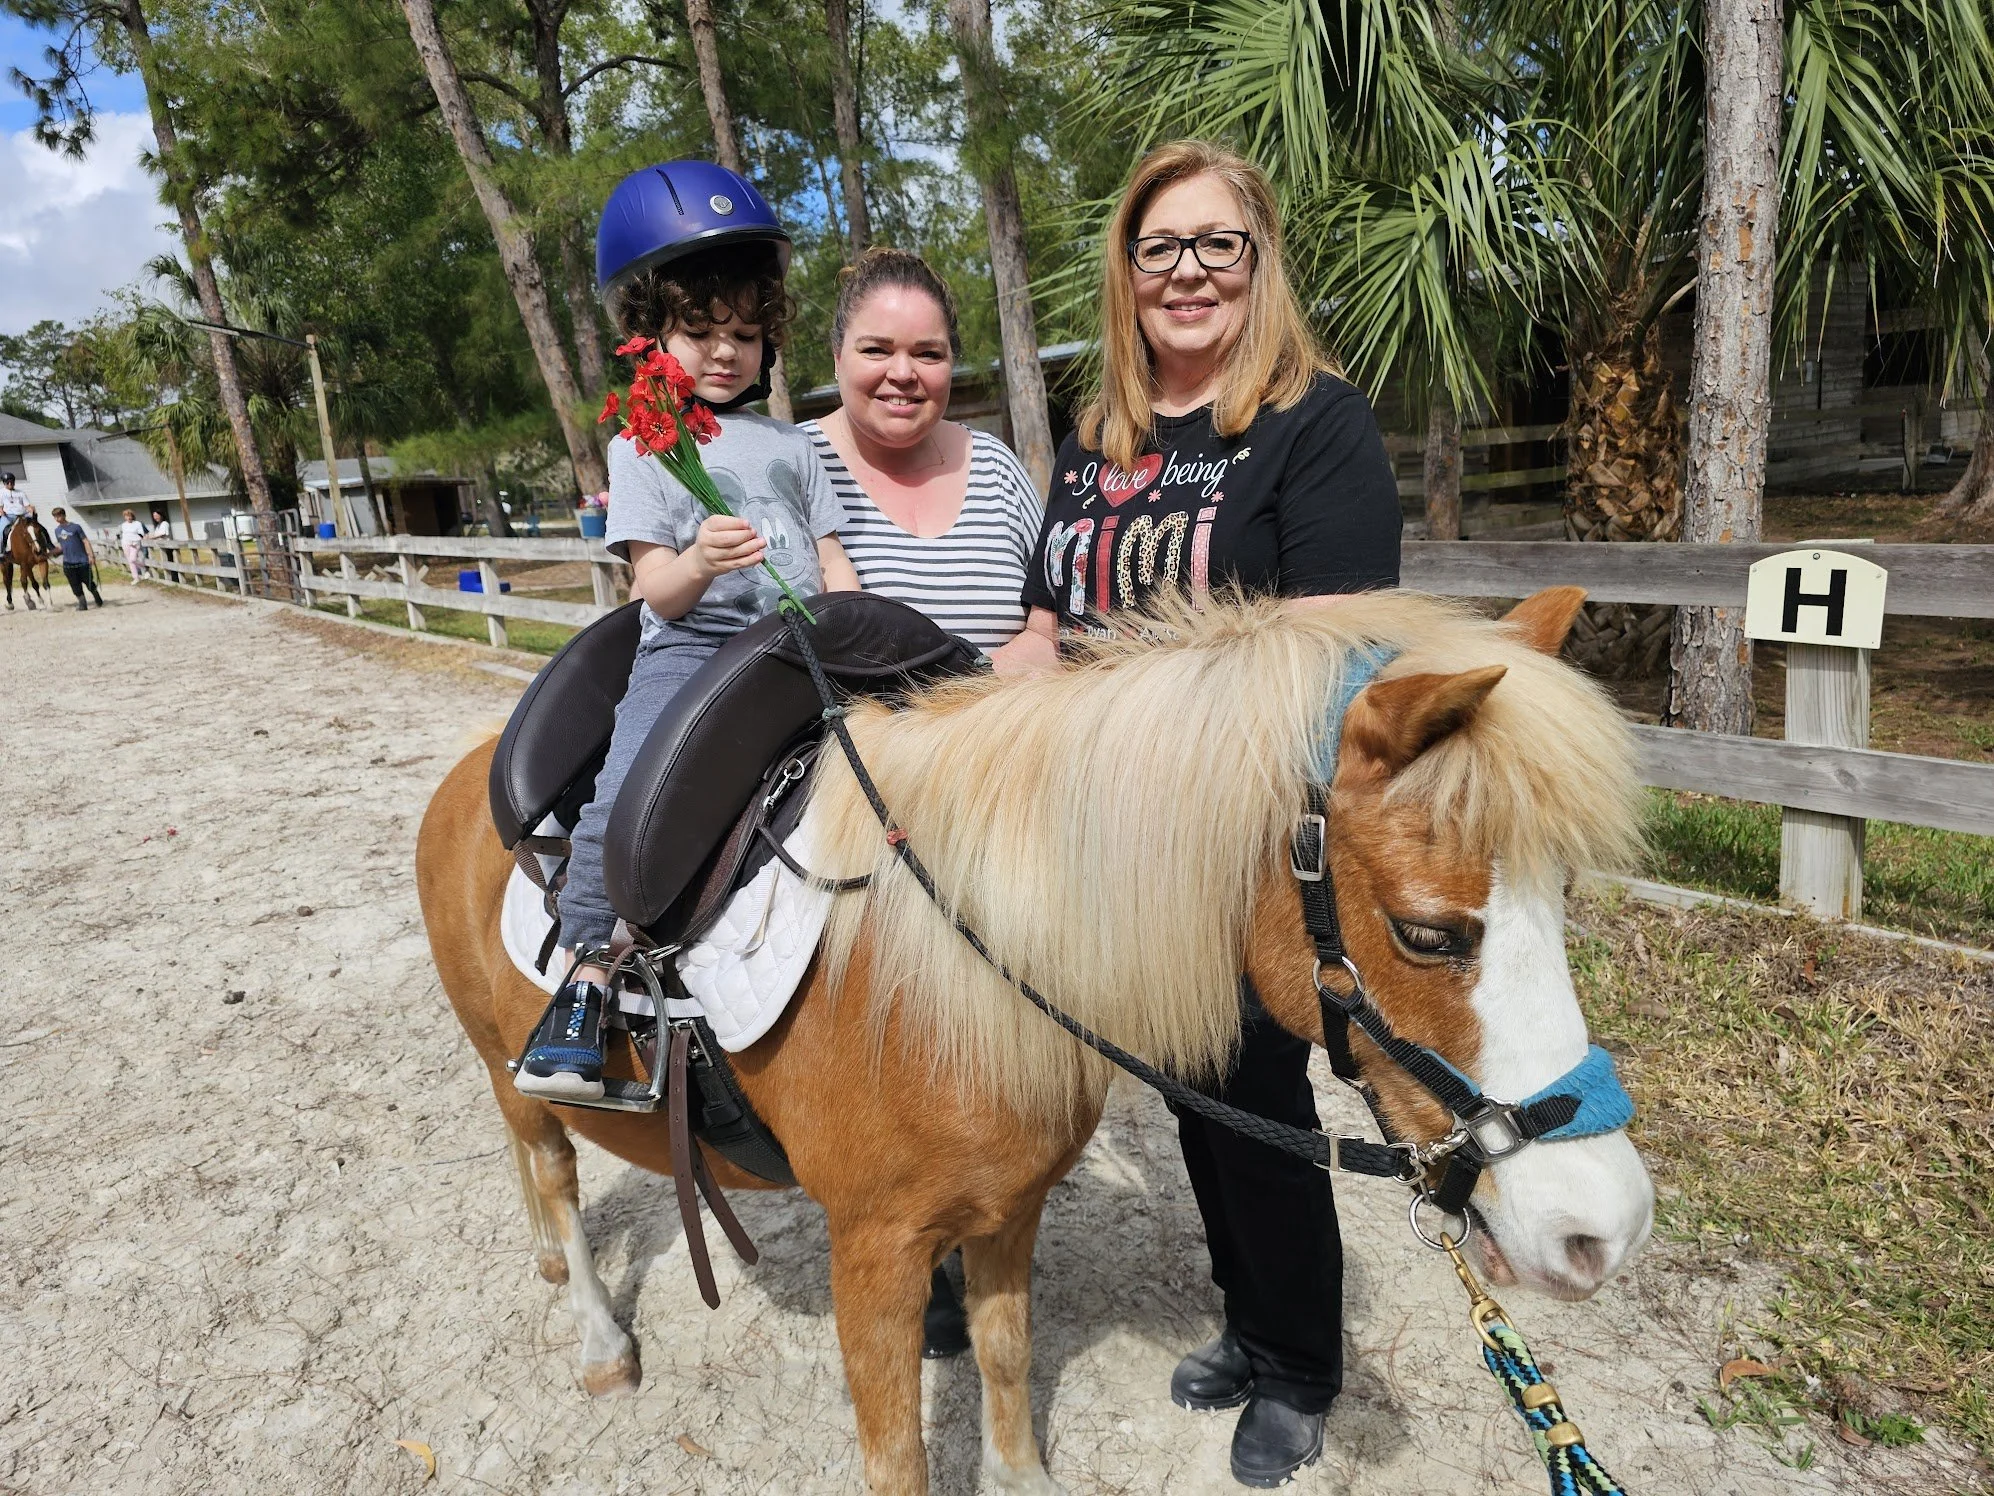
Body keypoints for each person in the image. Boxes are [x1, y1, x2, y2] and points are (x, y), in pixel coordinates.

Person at [1017, 141, 1399, 1487]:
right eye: (1157, 247)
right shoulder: (1098, 434)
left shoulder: (1312, 424)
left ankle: (1297, 1360)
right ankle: (1245, 1322)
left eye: (1213, 245)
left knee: (1250, 1090)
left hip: (1239, 842)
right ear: (1126, 272)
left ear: (1256, 261)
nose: (1184, 272)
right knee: (1183, 1088)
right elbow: (1055, 626)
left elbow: (1323, 650)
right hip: (1109, 837)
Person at [516, 160, 861, 1103]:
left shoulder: (796, 444)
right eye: (701, 332)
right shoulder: (645, 443)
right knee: (630, 788)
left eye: (745, 334)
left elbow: (832, 557)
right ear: (654, 337)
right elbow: (654, 591)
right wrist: (702, 560)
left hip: (800, 652)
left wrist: (866, 629)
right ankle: (586, 972)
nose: (726, 353)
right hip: (696, 650)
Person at [801, 247, 1042, 663]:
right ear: (837, 357)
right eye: (876, 350)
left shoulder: (995, 466)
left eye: (928, 353)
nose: (902, 373)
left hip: (1010, 723)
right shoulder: (790, 466)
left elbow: (1055, 624)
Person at [49, 507, 106, 610]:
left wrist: (91, 556)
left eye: (59, 516)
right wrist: (50, 553)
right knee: (75, 585)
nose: (57, 518)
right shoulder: (57, 531)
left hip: (82, 561)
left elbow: (85, 541)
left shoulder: (76, 527)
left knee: (89, 583)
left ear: (64, 515)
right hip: (68, 563)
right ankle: (82, 604)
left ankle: (97, 598)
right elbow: (62, 546)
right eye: (55, 517)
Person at [119, 508, 147, 581]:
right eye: (126, 516)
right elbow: (123, 534)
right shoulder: (123, 525)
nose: (128, 517)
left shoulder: (137, 523)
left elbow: (141, 534)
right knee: (130, 561)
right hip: (126, 543)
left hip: (135, 543)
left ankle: (143, 566)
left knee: (133, 559)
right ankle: (136, 577)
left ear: (132, 516)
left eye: (129, 515)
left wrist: (136, 541)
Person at [0, 472, 25, 550]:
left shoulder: (20, 492)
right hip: (8, 516)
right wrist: (1, 512)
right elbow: (0, 506)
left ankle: (49, 546)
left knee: (37, 528)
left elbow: (27, 505)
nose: (10, 483)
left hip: (21, 516)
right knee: (1, 532)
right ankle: (1, 552)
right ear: (4, 483)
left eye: (12, 482)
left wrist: (31, 509)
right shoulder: (1, 492)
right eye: (7, 482)